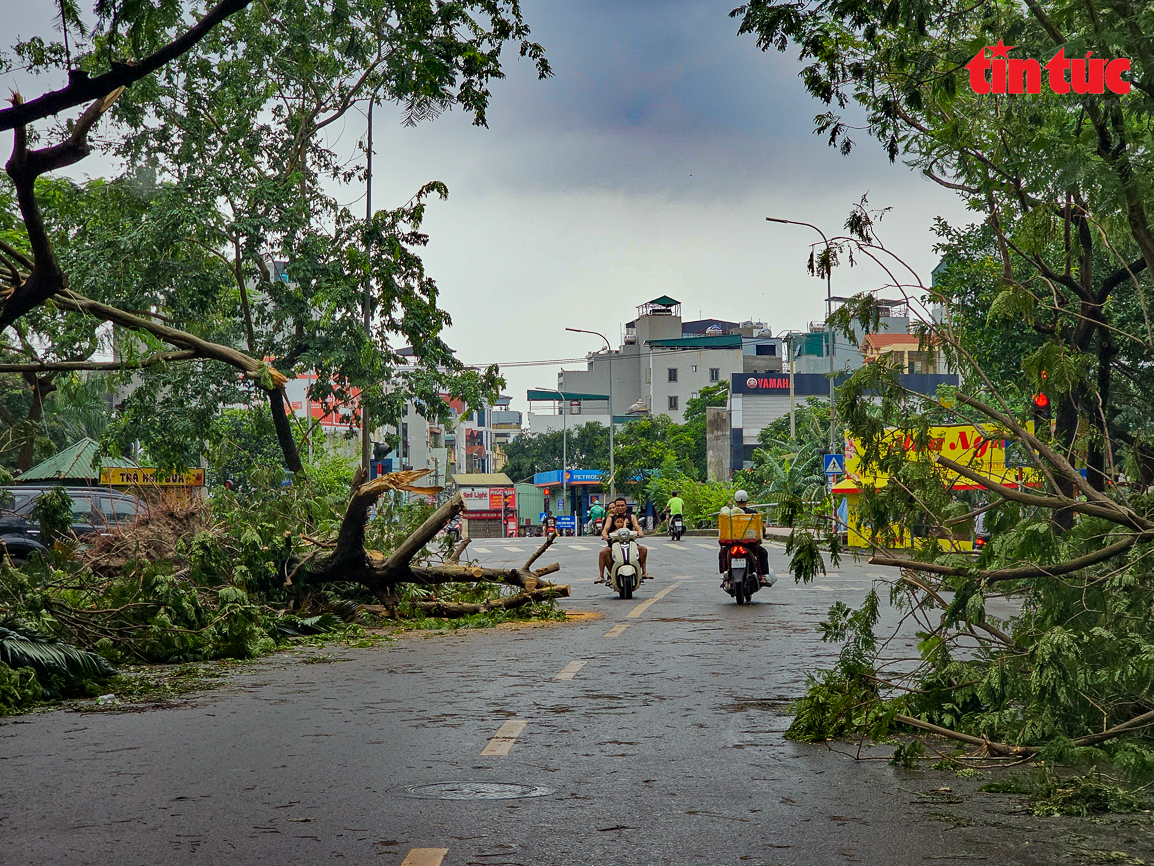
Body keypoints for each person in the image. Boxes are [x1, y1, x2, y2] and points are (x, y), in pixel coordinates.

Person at [722, 489, 771, 586]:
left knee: (722, 553)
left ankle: (725, 578)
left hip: (732, 543)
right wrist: (764, 533)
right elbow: (761, 528)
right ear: (747, 500)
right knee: (762, 553)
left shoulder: (729, 515)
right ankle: (763, 577)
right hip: (749, 544)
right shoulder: (753, 514)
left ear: (736, 501)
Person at [597, 496, 649, 582]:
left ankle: (642, 572)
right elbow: (605, 529)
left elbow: (636, 526)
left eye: (622, 505)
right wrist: (605, 535)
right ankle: (607, 575)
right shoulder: (610, 518)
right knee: (603, 552)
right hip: (614, 544)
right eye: (618, 506)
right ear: (615, 507)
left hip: (630, 543)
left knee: (643, 549)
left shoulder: (631, 517)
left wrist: (640, 532)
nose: (620, 507)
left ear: (626, 506)